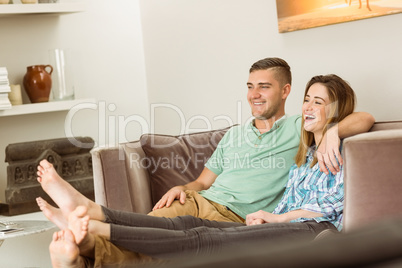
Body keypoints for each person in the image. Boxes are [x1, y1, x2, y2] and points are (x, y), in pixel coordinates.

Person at [40, 73, 363, 267]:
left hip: (310, 229)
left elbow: (327, 207)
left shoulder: (337, 146)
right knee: (185, 224)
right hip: (250, 215)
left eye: (319, 102)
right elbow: (204, 181)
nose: (308, 107)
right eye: (308, 100)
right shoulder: (302, 153)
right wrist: (187, 188)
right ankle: (90, 223)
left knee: (197, 237)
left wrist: (334, 132)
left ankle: (92, 233)